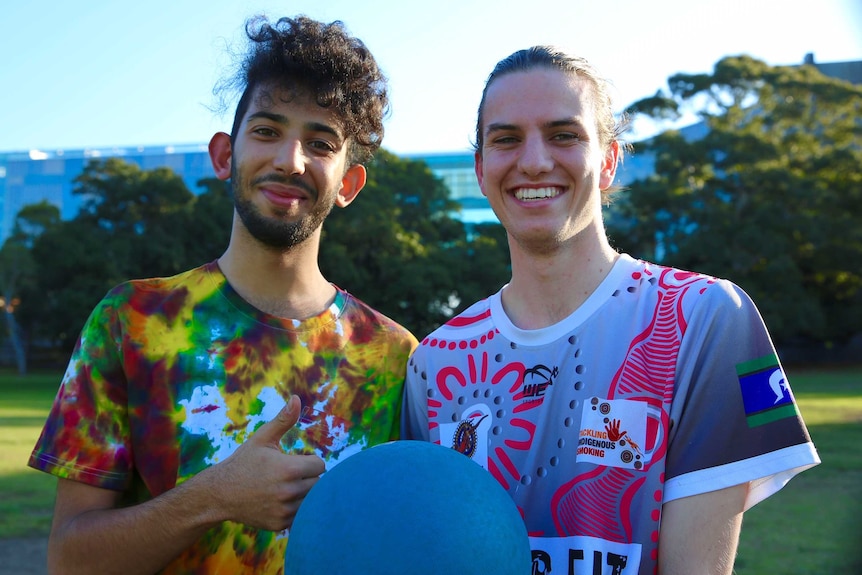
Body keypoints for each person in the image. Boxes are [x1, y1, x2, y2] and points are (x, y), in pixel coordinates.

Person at [401, 46, 820, 575]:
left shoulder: (705, 320)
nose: (533, 161)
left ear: (608, 160)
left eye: (564, 135)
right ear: (482, 170)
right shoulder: (433, 366)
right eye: (507, 139)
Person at [28, 15, 417, 575]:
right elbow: (69, 561)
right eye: (266, 131)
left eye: (321, 142)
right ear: (223, 156)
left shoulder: (393, 356)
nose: (290, 160)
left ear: (348, 183)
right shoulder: (131, 322)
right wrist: (214, 497)